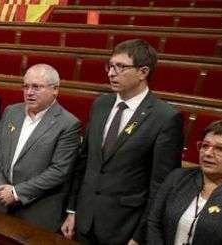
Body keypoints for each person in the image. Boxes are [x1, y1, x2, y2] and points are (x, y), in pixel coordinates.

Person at [62, 39, 185, 245]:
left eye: (121, 67)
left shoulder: (165, 118)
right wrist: (72, 210)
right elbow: (84, 162)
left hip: (125, 229)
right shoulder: (101, 104)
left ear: (143, 72)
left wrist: (140, 235)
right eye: (110, 66)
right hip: (84, 221)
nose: (111, 73)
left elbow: (161, 187)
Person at [0, 64, 81, 231]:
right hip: (2, 203)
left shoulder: (68, 124)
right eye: (26, 86)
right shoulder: (11, 112)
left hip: (37, 212)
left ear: (55, 89)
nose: (29, 92)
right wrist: (0, 185)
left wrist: (16, 193)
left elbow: (59, 171)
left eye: (36, 87)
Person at [148, 119, 222, 245]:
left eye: (219, 149)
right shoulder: (178, 178)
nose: (207, 153)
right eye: (205, 145)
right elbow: (154, 222)